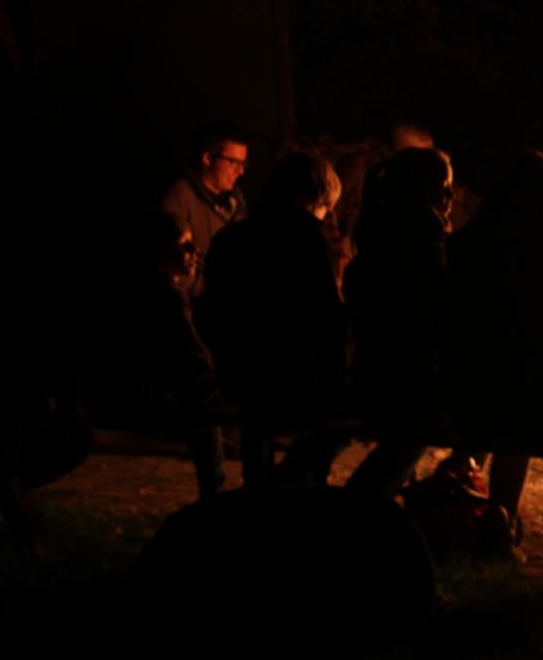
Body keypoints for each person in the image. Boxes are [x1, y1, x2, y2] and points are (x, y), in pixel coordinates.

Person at [446, 149, 543, 529]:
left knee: (506, 400)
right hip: (517, 401)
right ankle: (499, 521)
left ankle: (474, 494)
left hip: (465, 393)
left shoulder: (463, 246)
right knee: (527, 405)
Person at [197, 150, 353, 488]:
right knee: (351, 414)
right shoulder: (305, 237)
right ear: (316, 196)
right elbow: (326, 317)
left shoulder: (231, 236)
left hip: (236, 372)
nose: (326, 217)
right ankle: (286, 487)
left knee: (259, 419)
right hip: (289, 376)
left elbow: (212, 313)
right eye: (326, 209)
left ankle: (261, 486)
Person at [91, 210, 228, 500]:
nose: (194, 250)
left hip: (129, 389)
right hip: (145, 395)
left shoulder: (142, 286)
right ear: (157, 249)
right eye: (183, 243)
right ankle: (214, 490)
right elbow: (193, 354)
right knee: (208, 409)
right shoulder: (166, 294)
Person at [342, 147, 455, 496]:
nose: (450, 196)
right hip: (406, 382)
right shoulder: (423, 244)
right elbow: (434, 318)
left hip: (372, 373)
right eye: (443, 186)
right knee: (411, 440)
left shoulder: (375, 238)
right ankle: (356, 504)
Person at [160, 123, 248, 301]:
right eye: (233, 162)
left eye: (243, 163)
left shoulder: (236, 200)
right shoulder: (180, 199)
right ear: (208, 158)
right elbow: (172, 269)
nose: (241, 171)